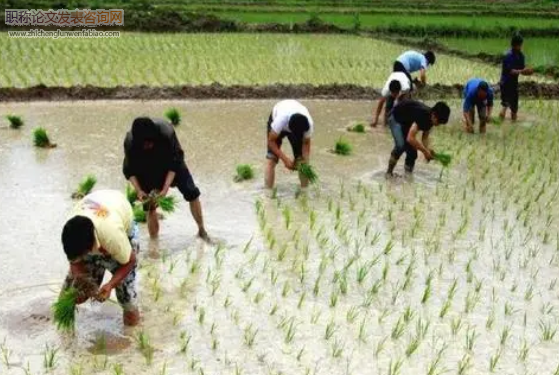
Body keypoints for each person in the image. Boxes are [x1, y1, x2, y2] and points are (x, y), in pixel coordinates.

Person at [60, 190, 140, 326]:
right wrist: (81, 279)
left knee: (127, 300)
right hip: (100, 205)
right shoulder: (71, 231)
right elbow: (74, 261)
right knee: (68, 293)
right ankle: (65, 337)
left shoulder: (112, 236)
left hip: (119, 219)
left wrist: (110, 285)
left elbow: (130, 261)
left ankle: (132, 334)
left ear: (90, 247)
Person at [123, 117, 209, 241]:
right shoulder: (131, 142)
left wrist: (165, 189)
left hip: (172, 164)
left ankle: (202, 230)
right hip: (146, 167)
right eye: (144, 144)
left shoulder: (166, 133)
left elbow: (175, 162)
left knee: (192, 193)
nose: (147, 146)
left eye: (149, 143)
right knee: (150, 205)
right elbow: (130, 170)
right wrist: (139, 190)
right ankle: (154, 243)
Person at [387, 100, 450, 176]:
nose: (438, 124)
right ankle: (388, 173)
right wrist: (425, 152)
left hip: (406, 122)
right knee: (401, 145)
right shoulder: (423, 115)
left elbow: (425, 138)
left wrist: (428, 149)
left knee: (412, 153)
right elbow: (410, 138)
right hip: (395, 118)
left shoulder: (431, 119)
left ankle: (408, 177)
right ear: (433, 115)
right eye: (439, 122)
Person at [265, 100, 314, 189]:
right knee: (271, 159)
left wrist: (304, 163)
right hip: (278, 115)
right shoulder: (280, 121)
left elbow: (306, 146)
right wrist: (286, 160)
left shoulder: (308, 125)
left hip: (295, 119)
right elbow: (271, 142)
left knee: (302, 162)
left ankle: (304, 194)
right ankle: (268, 195)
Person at [499, 34, 533, 121]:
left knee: (514, 109)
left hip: (514, 84)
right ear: (516, 45)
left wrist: (528, 72)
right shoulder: (508, 55)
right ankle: (500, 125)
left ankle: (513, 126)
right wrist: (522, 71)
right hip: (505, 83)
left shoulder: (521, 56)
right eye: (520, 44)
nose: (521, 46)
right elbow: (511, 71)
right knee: (505, 106)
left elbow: (521, 70)